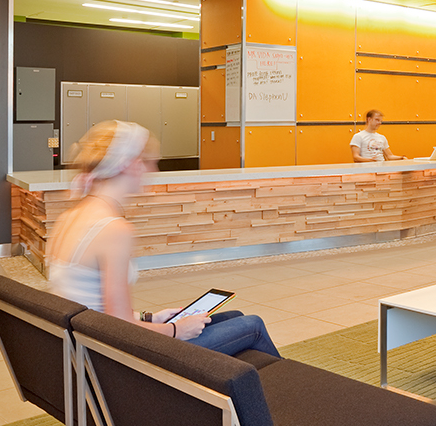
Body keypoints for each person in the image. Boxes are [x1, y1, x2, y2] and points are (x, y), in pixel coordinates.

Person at [47, 120, 280, 357]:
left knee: (233, 318)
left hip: (84, 346)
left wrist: (151, 318)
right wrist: (175, 329)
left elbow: (95, 305)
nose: (154, 172)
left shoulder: (71, 216)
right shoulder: (114, 229)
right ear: (131, 165)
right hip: (111, 358)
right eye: (150, 163)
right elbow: (117, 326)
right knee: (252, 326)